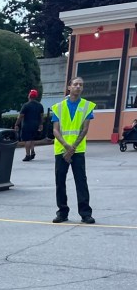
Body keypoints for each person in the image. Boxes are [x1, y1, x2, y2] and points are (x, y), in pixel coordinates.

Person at [51, 76, 95, 224]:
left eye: (81, 85)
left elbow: (85, 129)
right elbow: (55, 130)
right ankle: (62, 212)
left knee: (81, 181)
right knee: (60, 181)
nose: (78, 87)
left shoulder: (87, 106)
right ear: (69, 87)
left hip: (77, 150)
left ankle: (85, 213)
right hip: (61, 150)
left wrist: (73, 148)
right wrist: (66, 146)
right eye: (75, 84)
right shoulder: (58, 107)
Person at [15, 89, 45, 160]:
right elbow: (41, 116)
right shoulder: (40, 105)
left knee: (27, 140)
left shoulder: (26, 105)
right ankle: (32, 151)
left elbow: (21, 116)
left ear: (29, 96)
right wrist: (41, 124)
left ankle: (27, 155)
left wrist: (16, 124)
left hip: (27, 125)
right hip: (36, 125)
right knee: (32, 139)